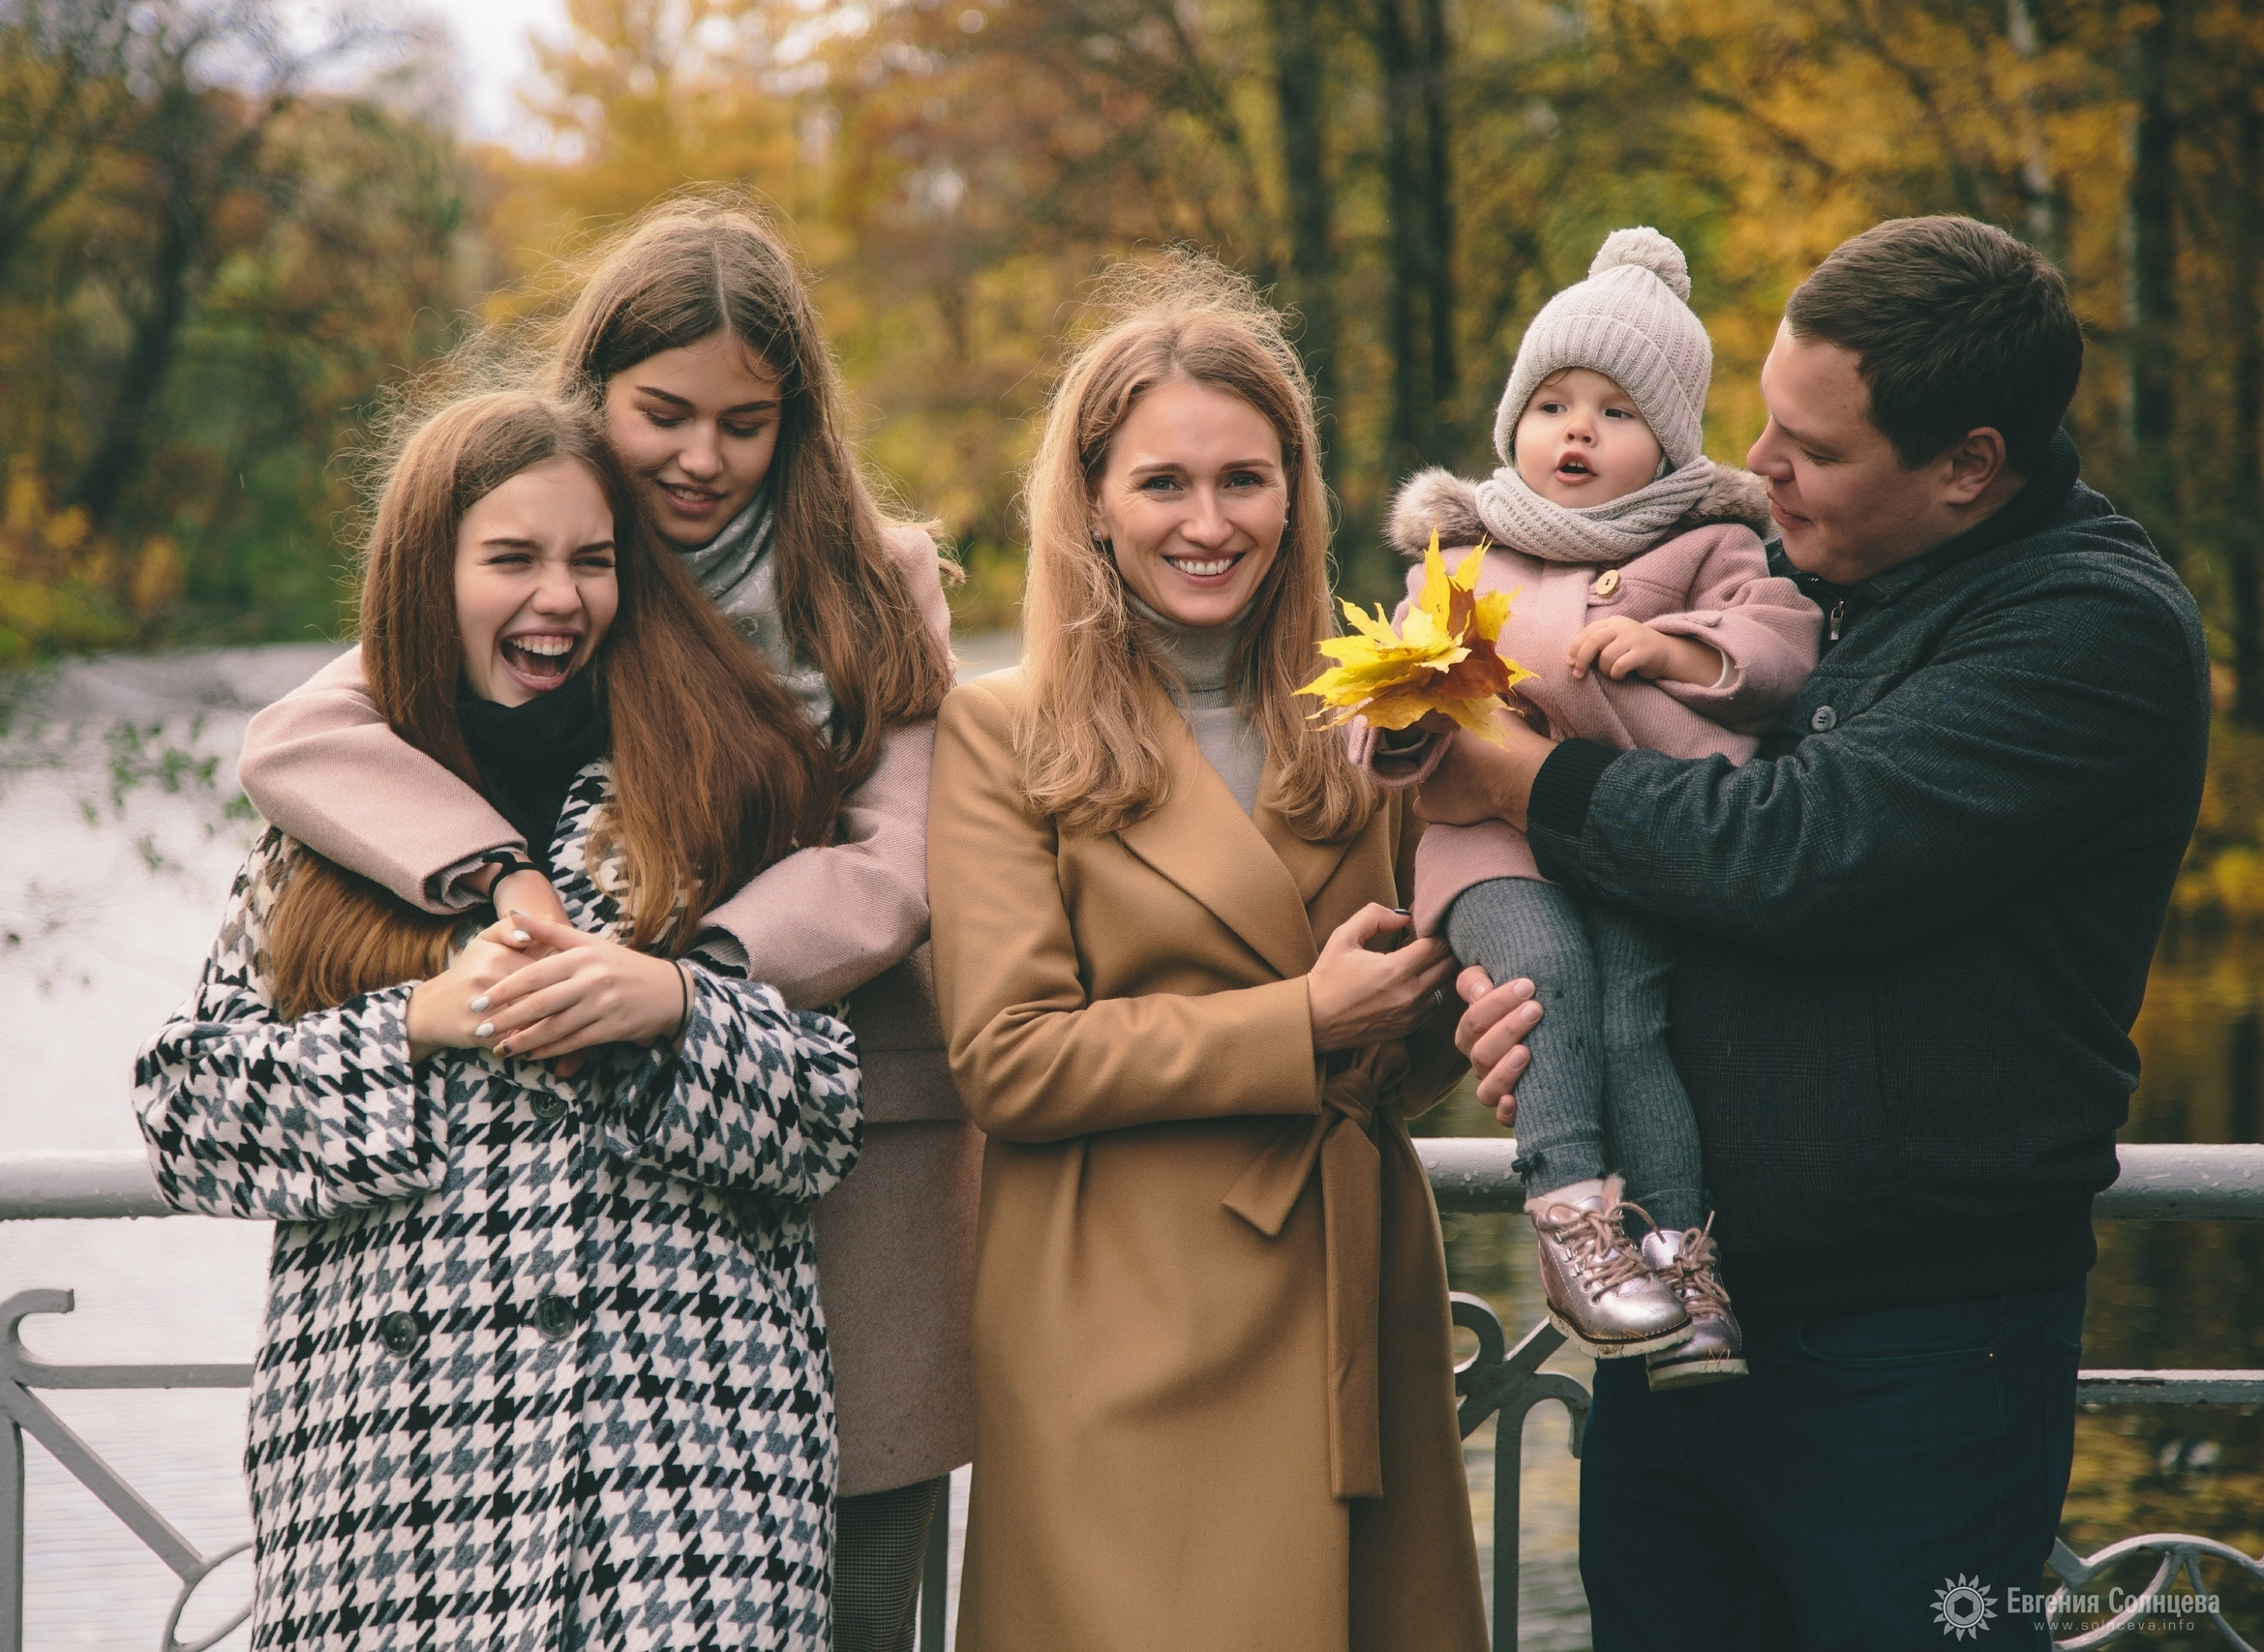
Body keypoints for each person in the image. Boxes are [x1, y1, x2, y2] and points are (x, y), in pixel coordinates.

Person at [1433, 216, 2209, 1649]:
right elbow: (1659, 866)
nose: (1760, 468)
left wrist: (1523, 779)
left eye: (1816, 448)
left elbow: (1804, 850)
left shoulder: (2086, 629)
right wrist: (1537, 1004)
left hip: (1915, 1349)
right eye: (1764, 426)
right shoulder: (1803, 570)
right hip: (1683, 1320)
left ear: (1968, 463)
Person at [232, 198, 972, 1651]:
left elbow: (898, 858)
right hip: (569, 1216)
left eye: (745, 421)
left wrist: (686, 974)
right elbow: (302, 737)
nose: (702, 458)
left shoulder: (869, 577)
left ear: (796, 417)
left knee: (852, 1575)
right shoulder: (552, 554)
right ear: (592, 402)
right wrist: (500, 882)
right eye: (663, 413)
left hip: (833, 1119)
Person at [135, 390, 861, 1647]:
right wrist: (420, 1020)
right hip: (387, 1490)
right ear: (432, 574)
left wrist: (671, 1007)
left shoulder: (717, 787)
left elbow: (821, 1115)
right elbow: (190, 1116)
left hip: (685, 1488)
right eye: (513, 558)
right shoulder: (327, 825)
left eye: (591, 560)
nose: (560, 596)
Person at [926, 255, 1489, 1652]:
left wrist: (1455, 1001)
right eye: (1162, 482)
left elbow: (1410, 1045)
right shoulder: (1003, 730)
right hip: (1114, 1305)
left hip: (1347, 1279)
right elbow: (1008, 1059)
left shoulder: (1375, 707)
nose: (1208, 519)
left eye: (1245, 478)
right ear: (1095, 506)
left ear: (1296, 493)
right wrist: (1300, 1018)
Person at [1360, 227, 1821, 1387]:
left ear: (1667, 443)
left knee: (1633, 1024)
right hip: (1490, 854)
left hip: (1632, 842)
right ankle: (1570, 1219)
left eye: (1615, 412)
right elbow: (1389, 701)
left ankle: (1675, 1257)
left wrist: (1673, 645)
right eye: (1552, 402)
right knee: (1546, 982)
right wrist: (1411, 725)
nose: (1576, 430)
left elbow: (1777, 649)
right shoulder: (1459, 556)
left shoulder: (1711, 543)